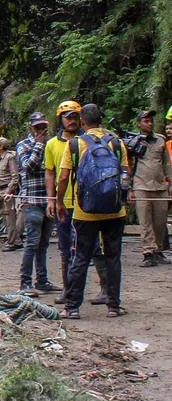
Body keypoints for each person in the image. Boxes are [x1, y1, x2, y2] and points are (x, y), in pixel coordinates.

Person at [56, 104, 130, 319]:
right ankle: (113, 306)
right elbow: (125, 174)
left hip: (84, 211)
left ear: (82, 122)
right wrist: (123, 199)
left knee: (80, 257)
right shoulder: (117, 143)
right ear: (101, 120)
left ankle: (72, 308)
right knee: (113, 257)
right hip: (114, 211)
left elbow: (63, 177)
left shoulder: (75, 144)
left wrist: (59, 202)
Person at [16, 113, 57, 295]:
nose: (41, 130)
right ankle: (25, 283)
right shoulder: (23, 145)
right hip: (31, 200)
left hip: (48, 200)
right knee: (31, 242)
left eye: (43, 127)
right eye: (37, 127)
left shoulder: (52, 144)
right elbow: (28, 167)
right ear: (31, 128)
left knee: (44, 244)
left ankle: (42, 280)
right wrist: (39, 145)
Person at [44, 101, 84, 288]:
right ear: (61, 119)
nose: (72, 121)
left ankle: (101, 289)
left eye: (75, 117)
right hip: (63, 203)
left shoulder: (86, 141)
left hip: (86, 203)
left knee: (90, 248)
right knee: (65, 248)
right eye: (68, 117)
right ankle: (68, 288)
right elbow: (50, 173)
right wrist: (51, 200)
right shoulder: (51, 144)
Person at [129, 109, 172, 266]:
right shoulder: (133, 142)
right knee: (145, 222)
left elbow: (166, 164)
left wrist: (170, 183)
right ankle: (148, 252)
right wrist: (129, 188)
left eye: (151, 121)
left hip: (160, 186)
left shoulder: (160, 140)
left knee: (160, 221)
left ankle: (158, 250)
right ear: (139, 123)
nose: (150, 123)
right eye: (146, 121)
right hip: (141, 186)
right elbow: (128, 166)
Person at [0, 137, 22, 252]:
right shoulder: (0, 158)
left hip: (6, 190)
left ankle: (12, 242)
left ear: (0, 146)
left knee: (10, 218)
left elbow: (15, 177)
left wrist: (9, 191)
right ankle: (16, 240)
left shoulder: (9, 157)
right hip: (1, 189)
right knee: (5, 217)